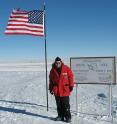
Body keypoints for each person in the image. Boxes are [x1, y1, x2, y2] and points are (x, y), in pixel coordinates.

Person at [49, 57, 74, 123]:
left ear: (61, 62)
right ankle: (60, 116)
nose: (57, 64)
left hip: (64, 89)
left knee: (66, 105)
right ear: (55, 63)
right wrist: (50, 88)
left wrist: (71, 85)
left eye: (59, 63)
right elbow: (51, 80)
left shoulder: (66, 68)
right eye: (56, 63)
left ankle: (68, 117)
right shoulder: (52, 70)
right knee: (59, 105)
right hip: (56, 90)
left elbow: (71, 77)